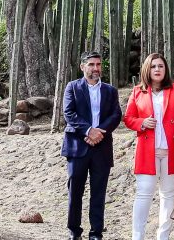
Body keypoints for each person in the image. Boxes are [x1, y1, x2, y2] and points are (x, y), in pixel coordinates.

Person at [123, 53, 174, 240]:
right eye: (153, 66)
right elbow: (128, 118)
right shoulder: (138, 91)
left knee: (168, 195)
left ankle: (163, 236)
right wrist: (142, 123)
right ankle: (137, 236)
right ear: (147, 69)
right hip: (147, 151)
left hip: (173, 151)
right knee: (143, 194)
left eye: (161, 66)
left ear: (165, 69)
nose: (157, 69)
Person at [62, 51, 122, 240]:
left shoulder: (110, 90)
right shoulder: (72, 87)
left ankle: (96, 232)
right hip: (77, 147)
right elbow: (69, 113)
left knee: (99, 192)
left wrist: (99, 132)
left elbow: (116, 115)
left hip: (101, 148)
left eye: (98, 64)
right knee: (75, 191)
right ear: (82, 67)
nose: (96, 68)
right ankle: (74, 230)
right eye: (91, 64)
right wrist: (89, 131)